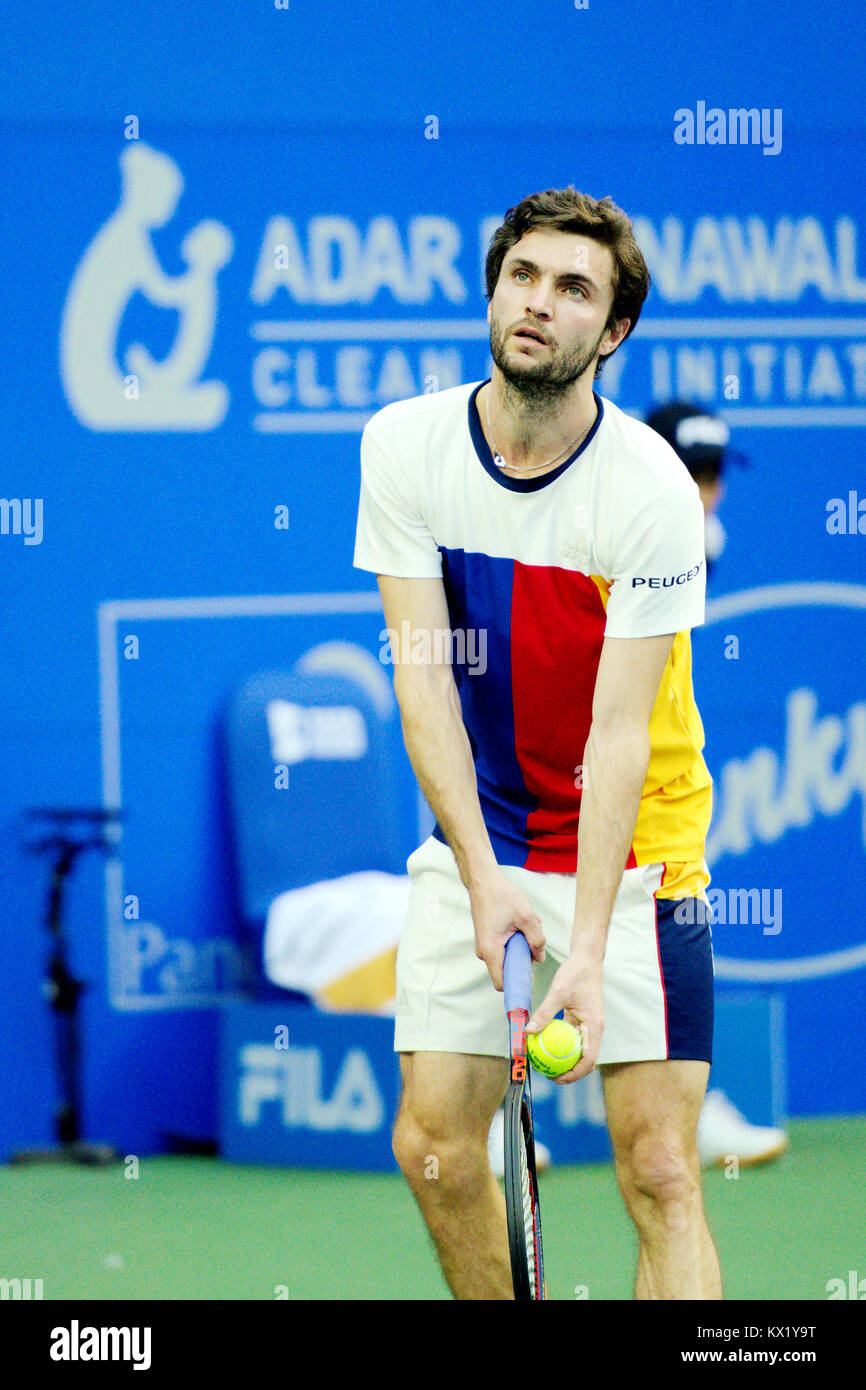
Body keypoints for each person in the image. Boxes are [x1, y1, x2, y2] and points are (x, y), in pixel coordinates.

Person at [353, 186, 722, 1299]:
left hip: (636, 841)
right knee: (428, 1143)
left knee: (657, 1168)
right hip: (489, 831)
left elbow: (617, 734)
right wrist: (480, 877)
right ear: (490, 290)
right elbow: (423, 685)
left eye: (573, 289)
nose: (538, 303)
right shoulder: (406, 446)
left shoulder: (650, 486)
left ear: (610, 333)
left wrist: (592, 949)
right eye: (522, 276)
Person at [644, 401, 789, 1168]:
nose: (709, 490)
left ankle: (688, 1115)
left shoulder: (701, 538)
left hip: (645, 773)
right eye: (691, 470)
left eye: (714, 472)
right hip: (551, 772)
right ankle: (491, 1118)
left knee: (664, 940)